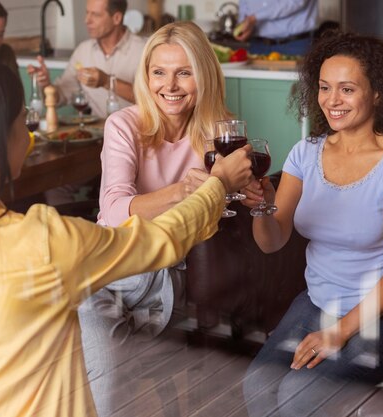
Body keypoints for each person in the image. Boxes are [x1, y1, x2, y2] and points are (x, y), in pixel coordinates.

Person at [0, 58, 253, 417]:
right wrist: (216, 186)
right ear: (0, 142)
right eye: (22, 122)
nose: (29, 132)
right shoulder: (41, 242)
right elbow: (160, 239)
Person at [239, 31, 383, 416]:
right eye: (325, 87)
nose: (332, 100)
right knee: (257, 386)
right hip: (319, 301)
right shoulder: (305, 153)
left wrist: (340, 332)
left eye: (347, 89)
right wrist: (261, 207)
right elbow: (272, 241)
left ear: (377, 93)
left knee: (297, 396)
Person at [77, 21, 241, 416]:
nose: (170, 85)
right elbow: (115, 211)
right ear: (146, 76)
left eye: (184, 72)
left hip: (172, 277)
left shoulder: (221, 133)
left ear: (203, 75)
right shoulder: (125, 126)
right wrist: (187, 190)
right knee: (105, 377)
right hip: (112, 271)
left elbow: (226, 210)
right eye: (159, 72)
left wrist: (248, 191)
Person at [27, 0, 146, 118]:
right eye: (87, 13)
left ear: (116, 18)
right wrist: (46, 84)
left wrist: (105, 81)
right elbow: (60, 97)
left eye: (95, 15)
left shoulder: (144, 50)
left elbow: (152, 99)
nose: (87, 20)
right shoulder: (83, 51)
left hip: (138, 132)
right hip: (99, 133)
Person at [233, 0, 318, 56]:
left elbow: (296, 2)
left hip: (295, 45)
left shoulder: (254, 18)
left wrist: (254, 18)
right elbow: (245, 5)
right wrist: (245, 25)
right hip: (258, 45)